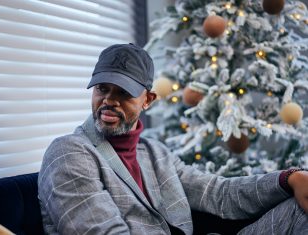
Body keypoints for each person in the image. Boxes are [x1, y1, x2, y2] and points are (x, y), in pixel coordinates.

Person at [38, 43, 308, 235]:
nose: (109, 101)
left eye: (123, 93)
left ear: (148, 100)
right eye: (102, 89)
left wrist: (289, 178)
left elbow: (219, 194)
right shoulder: (69, 153)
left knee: (300, 209)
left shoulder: (154, 153)